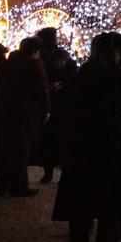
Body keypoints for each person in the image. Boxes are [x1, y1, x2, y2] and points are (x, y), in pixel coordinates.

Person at [52, 32, 121, 242]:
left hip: (85, 157)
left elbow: (66, 115)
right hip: (108, 157)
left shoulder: (82, 77)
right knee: (104, 219)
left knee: (83, 220)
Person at [0, 37, 50, 197]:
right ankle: (19, 186)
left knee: (6, 149)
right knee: (21, 150)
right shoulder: (34, 64)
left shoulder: (10, 61)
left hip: (8, 111)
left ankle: (3, 184)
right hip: (26, 113)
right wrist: (46, 110)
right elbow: (42, 90)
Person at [36, 27, 77, 184]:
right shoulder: (46, 55)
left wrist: (62, 84)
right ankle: (50, 171)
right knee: (53, 140)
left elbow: (72, 76)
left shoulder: (57, 55)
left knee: (54, 140)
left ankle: (51, 172)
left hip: (58, 103)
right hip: (54, 102)